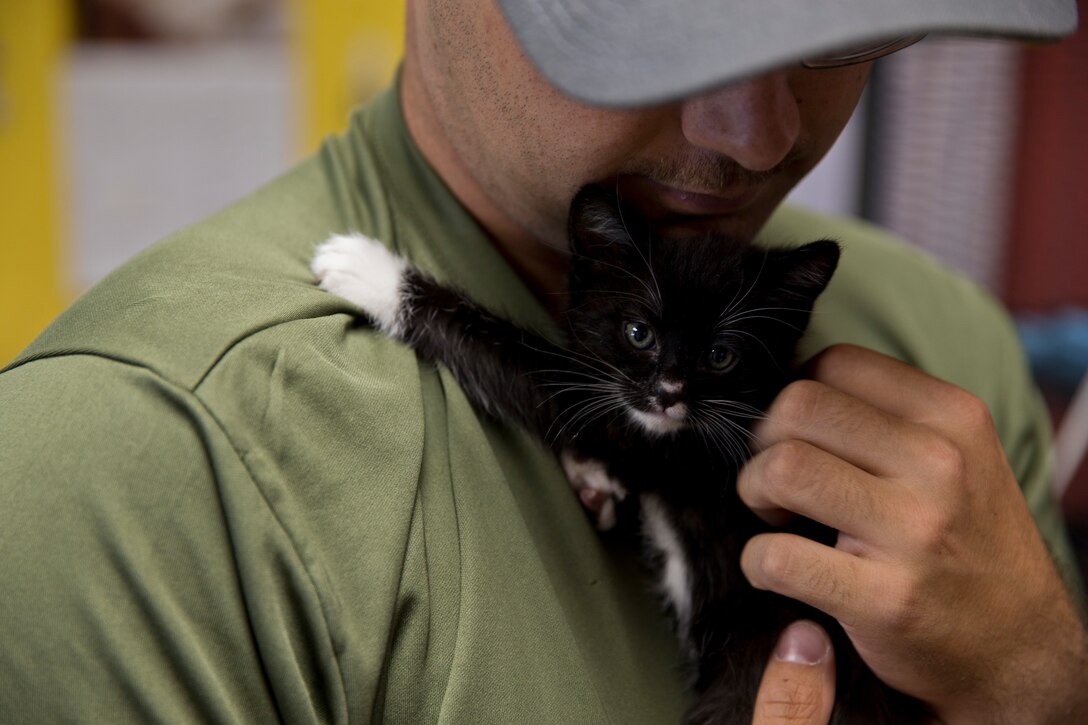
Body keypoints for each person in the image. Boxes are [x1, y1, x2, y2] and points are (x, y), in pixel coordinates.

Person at [1, 0, 1085, 721]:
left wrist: (1044, 682)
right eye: (664, 20)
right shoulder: (132, 469)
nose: (754, 133)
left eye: (833, 26)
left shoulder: (946, 355)